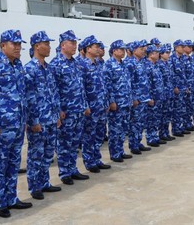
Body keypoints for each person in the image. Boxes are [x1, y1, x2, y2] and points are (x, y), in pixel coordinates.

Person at [0, 29, 33, 218]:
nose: (19, 47)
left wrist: (25, 119)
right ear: (3, 45)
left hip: (18, 125)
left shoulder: (18, 64)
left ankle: (11, 198)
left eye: (20, 44)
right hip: (1, 127)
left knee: (13, 164)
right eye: (15, 44)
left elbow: (23, 94)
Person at [24, 31, 62, 201]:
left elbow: (54, 93)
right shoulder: (29, 69)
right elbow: (28, 97)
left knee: (47, 153)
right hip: (38, 121)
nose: (49, 47)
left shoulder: (49, 68)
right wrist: (33, 120)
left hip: (51, 118)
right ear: (37, 46)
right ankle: (34, 186)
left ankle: (44, 182)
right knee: (36, 154)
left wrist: (57, 114)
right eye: (46, 44)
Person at [51, 30, 91, 185]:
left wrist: (85, 105)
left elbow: (81, 87)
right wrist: (58, 110)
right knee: (64, 143)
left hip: (78, 110)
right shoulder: (56, 64)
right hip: (66, 112)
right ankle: (64, 172)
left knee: (74, 142)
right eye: (72, 43)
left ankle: (73, 169)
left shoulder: (76, 63)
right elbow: (54, 90)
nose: (75, 46)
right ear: (63, 45)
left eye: (75, 43)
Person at [79, 35, 111, 173]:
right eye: (96, 46)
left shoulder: (99, 64)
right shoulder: (82, 65)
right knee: (89, 136)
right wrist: (85, 105)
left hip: (101, 106)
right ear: (88, 49)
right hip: (91, 108)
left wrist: (107, 102)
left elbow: (104, 86)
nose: (99, 49)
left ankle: (97, 159)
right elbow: (82, 88)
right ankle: (89, 161)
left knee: (99, 135)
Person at [103, 39, 133, 162]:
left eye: (124, 49)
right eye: (121, 49)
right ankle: (114, 153)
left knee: (123, 129)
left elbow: (128, 83)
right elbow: (107, 85)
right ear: (114, 51)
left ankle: (120, 150)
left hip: (126, 101)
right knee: (115, 130)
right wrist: (111, 101)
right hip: (117, 103)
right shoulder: (109, 65)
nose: (124, 52)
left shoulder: (124, 64)